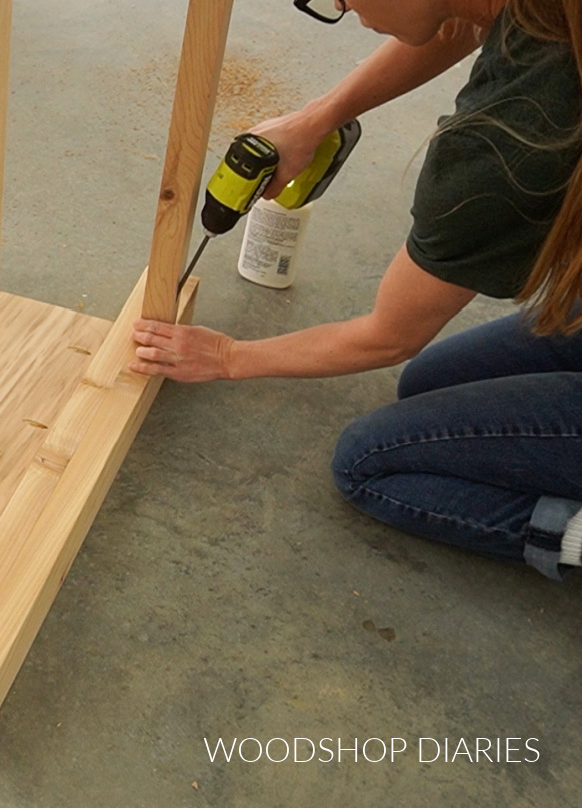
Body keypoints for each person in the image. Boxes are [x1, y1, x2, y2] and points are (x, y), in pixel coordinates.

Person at [129, 0, 582, 578]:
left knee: (369, 464)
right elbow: (456, 24)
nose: (344, 12)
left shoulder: (498, 153)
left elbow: (388, 339)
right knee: (428, 384)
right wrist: (316, 117)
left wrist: (227, 356)